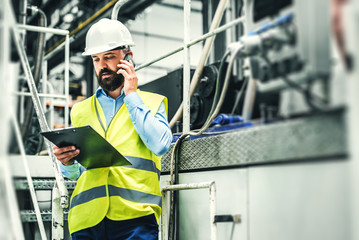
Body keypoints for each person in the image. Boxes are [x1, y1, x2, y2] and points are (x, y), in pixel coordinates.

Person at [53, 18, 173, 239]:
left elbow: (161, 145)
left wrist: (132, 96)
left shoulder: (152, 103)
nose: (102, 66)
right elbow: (79, 173)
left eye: (108, 57)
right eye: (96, 59)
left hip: (135, 219)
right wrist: (67, 162)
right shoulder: (80, 110)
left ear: (128, 57)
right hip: (86, 220)